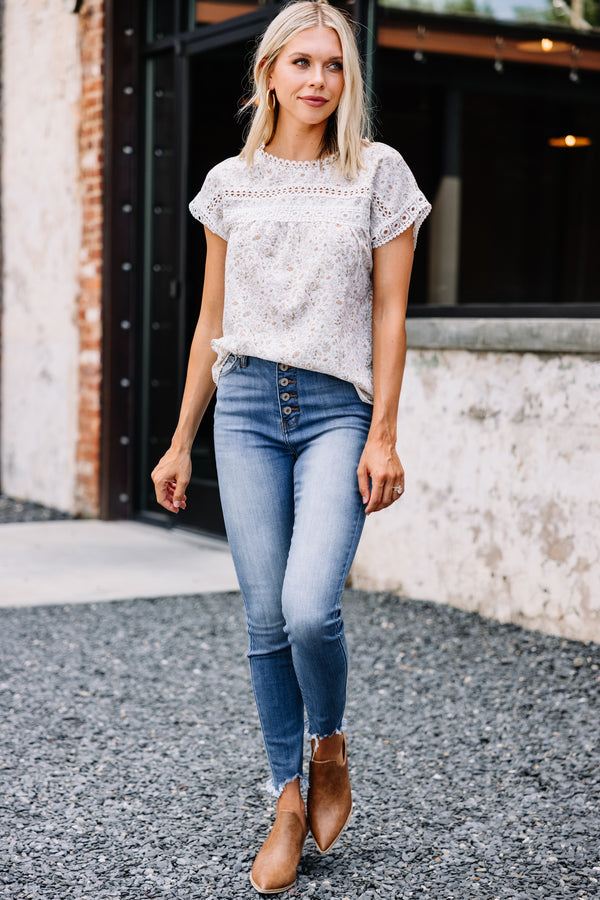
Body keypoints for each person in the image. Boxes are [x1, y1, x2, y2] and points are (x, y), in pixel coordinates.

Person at [151, 0, 430, 893]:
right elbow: (211, 321)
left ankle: (330, 745)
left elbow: (390, 312)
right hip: (242, 408)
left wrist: (384, 430)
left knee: (312, 607)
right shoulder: (230, 182)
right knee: (265, 619)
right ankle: (283, 796)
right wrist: (180, 439)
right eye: (302, 62)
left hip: (333, 409)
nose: (318, 80)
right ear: (268, 72)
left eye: (335, 64)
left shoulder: (378, 173)